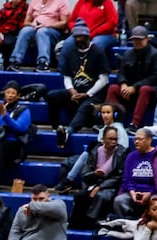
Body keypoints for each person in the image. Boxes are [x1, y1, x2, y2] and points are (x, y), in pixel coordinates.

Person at [46, 20, 110, 148]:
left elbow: (104, 79)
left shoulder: (97, 52)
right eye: (76, 37)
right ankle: (56, 128)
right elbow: (67, 76)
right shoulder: (71, 52)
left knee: (85, 108)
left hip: (94, 93)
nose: (78, 39)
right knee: (51, 96)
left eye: (81, 37)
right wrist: (71, 90)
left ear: (87, 37)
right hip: (75, 91)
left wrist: (87, 94)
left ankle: (68, 132)